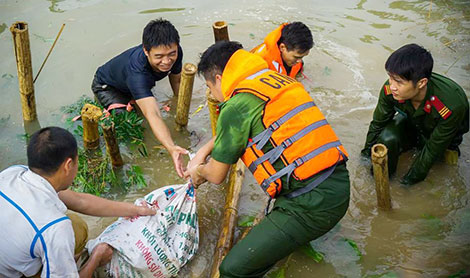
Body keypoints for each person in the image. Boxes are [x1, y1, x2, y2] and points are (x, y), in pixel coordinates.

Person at [186, 41, 350, 277]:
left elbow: (216, 175)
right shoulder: (274, 81)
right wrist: (202, 152)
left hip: (311, 205)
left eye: (210, 86)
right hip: (337, 184)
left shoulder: (235, 106)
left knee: (232, 269)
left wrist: (197, 171)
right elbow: (241, 125)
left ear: (220, 78)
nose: (211, 94)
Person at [0, 127, 156, 278]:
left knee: (74, 226)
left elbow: (79, 201)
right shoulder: (55, 227)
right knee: (76, 230)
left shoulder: (13, 173)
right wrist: (96, 258)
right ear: (68, 165)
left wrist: (136, 210)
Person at [361, 44, 469, 186]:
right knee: (387, 138)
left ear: (421, 83)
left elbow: (432, 149)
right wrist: (366, 156)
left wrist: (407, 184)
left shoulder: (451, 104)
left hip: (443, 139)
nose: (392, 85)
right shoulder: (391, 90)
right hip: (412, 124)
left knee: (444, 167)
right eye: (390, 77)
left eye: (399, 82)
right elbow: (378, 123)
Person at [91, 18, 187, 177]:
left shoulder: (175, 52)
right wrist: (171, 147)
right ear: (146, 51)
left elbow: (176, 78)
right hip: (107, 87)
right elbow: (153, 114)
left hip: (130, 83)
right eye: (159, 56)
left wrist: (180, 103)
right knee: (133, 128)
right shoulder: (137, 73)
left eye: (172, 54)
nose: (166, 61)